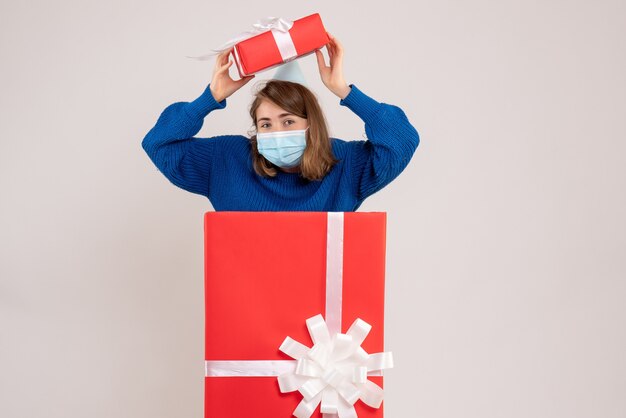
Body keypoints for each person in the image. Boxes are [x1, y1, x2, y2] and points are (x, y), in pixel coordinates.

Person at [142, 33, 420, 211]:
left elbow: (402, 141)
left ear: (311, 124)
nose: (276, 132)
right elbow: (159, 143)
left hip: (319, 301)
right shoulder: (227, 159)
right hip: (244, 299)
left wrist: (344, 91)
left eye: (287, 121)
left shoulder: (345, 164)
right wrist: (210, 98)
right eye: (266, 124)